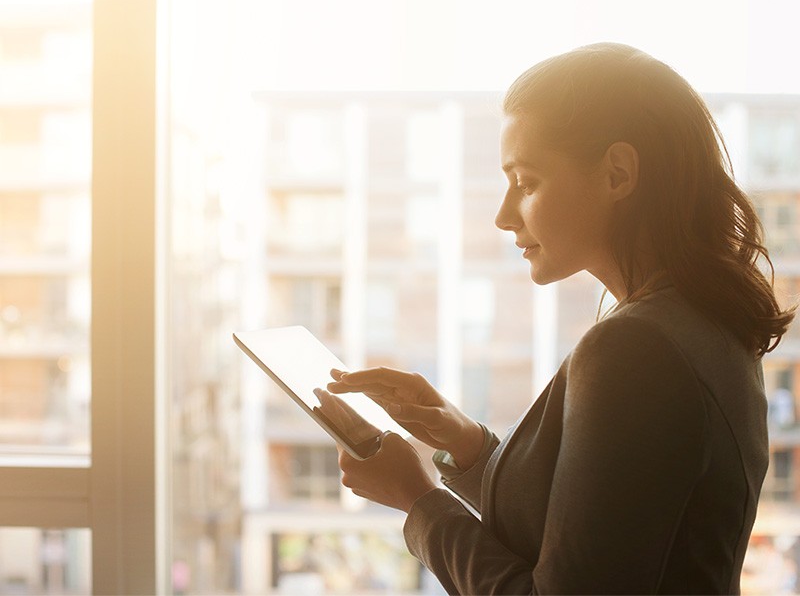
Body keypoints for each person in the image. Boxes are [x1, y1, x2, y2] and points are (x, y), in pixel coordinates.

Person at [321, 42, 796, 595]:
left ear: (617, 173)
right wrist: (468, 446)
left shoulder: (636, 347)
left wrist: (418, 501)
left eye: (526, 183)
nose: (503, 216)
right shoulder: (700, 323)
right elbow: (603, 532)